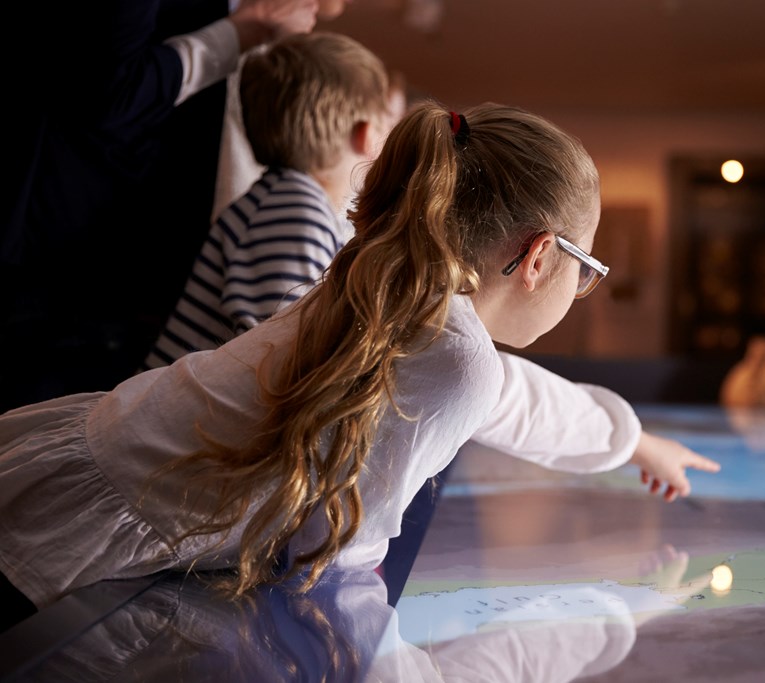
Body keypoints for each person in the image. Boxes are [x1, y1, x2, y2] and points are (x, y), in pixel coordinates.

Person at [0, 100, 721, 634]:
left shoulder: (400, 288)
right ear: (540, 257)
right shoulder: (453, 353)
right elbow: (339, 560)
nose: (585, 283)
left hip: (78, 462)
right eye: (587, 267)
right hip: (84, 537)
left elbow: (516, 397)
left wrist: (631, 441)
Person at [0, 0, 324, 413]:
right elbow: (112, 90)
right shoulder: (298, 213)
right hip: (61, 262)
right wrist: (244, 32)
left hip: (118, 278)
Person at [140, 31, 394, 370]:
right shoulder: (296, 212)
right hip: (176, 420)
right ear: (367, 136)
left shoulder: (292, 203)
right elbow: (288, 355)